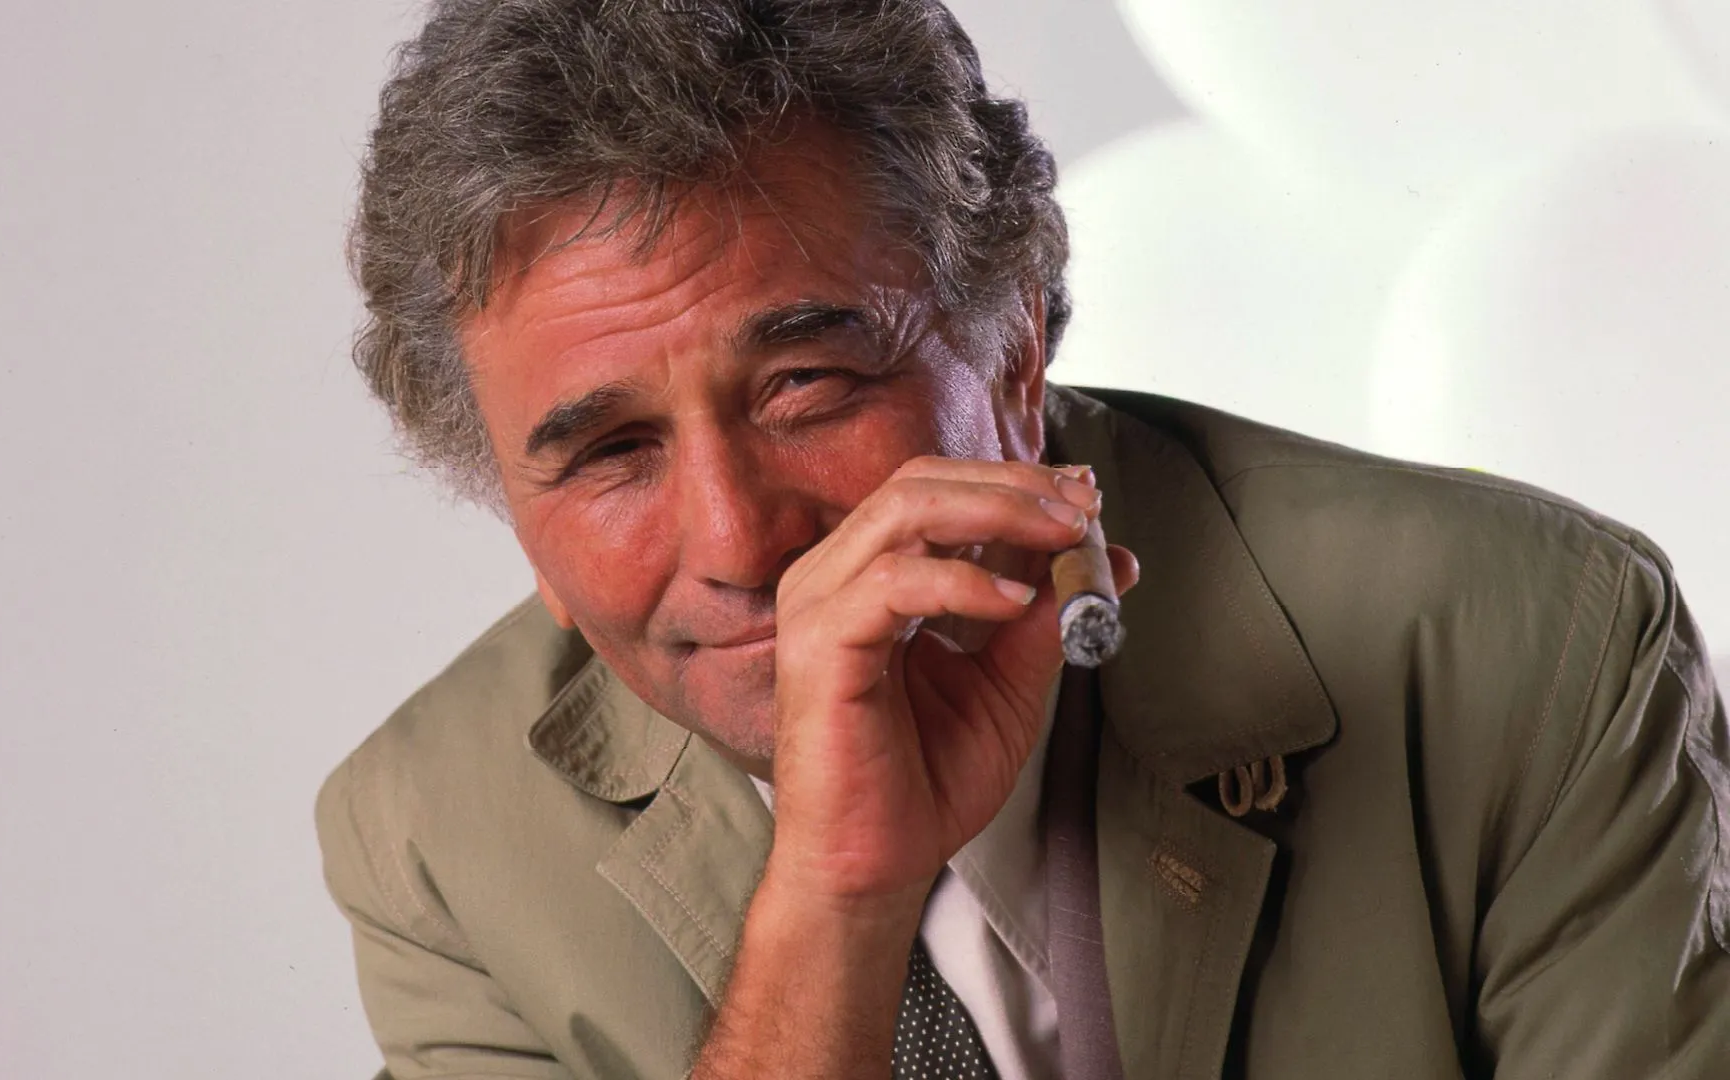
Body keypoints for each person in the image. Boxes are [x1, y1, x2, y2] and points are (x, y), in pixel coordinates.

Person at [314, 2, 1730, 1078]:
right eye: (611, 455)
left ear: (1013, 351)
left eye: (807, 384)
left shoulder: (1531, 641)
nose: (741, 542)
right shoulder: (432, 841)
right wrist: (835, 898)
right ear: (523, 527)